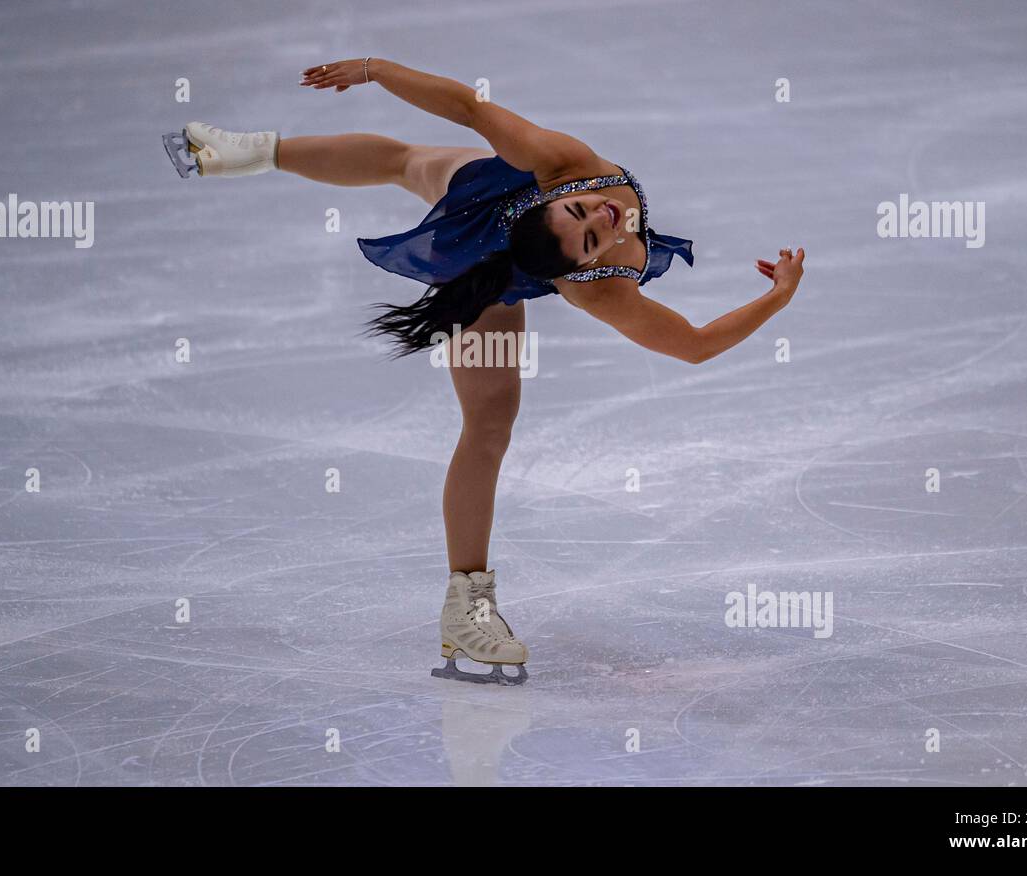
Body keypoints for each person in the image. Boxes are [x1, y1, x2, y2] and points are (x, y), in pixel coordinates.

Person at [163, 57, 805, 685]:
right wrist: (776, 297)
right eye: (585, 229)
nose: (601, 216)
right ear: (573, 254)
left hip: (508, 229)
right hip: (476, 254)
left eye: (584, 214)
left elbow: (471, 108)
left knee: (409, 163)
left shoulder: (569, 174)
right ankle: (467, 602)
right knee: (488, 419)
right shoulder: (592, 274)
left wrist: (375, 68)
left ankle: (243, 152)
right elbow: (692, 344)